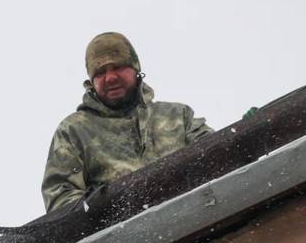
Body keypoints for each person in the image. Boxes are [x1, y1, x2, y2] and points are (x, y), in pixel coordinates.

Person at [41, 32, 213, 212]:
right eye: (100, 72)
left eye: (117, 67)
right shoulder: (74, 131)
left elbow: (215, 155)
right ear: (91, 82)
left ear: (135, 69)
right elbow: (60, 199)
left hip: (196, 217)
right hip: (124, 229)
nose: (110, 78)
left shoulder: (178, 115)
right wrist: (107, 207)